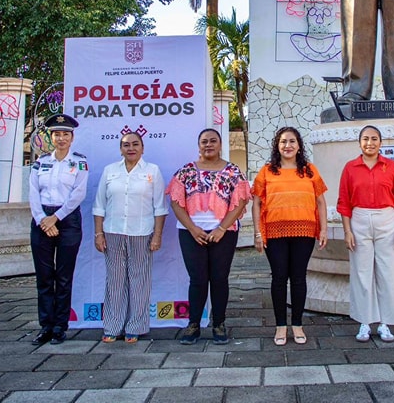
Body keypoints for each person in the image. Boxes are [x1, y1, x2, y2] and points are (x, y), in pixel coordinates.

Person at [168, 128, 251, 345]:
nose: (208, 144)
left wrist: (222, 228)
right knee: (197, 279)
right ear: (198, 145)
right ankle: (193, 324)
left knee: (219, 278)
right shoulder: (185, 171)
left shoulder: (233, 171)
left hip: (223, 232)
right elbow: (176, 202)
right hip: (190, 233)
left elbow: (241, 200)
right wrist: (193, 229)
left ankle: (219, 324)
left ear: (220, 144)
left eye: (213, 141)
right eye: (204, 141)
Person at [251, 127, 329, 346]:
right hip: (274, 233)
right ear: (277, 145)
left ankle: (297, 324)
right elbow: (256, 203)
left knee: (298, 278)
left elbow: (321, 201)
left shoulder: (309, 170)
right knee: (278, 278)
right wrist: (258, 233)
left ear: (299, 146)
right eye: (283, 142)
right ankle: (280, 326)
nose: (288, 146)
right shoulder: (267, 171)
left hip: (304, 232)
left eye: (292, 141)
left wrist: (323, 229)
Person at [92, 131, 168, 343]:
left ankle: (136, 326)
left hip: (142, 233)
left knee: (139, 280)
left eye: (135, 144)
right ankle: (112, 326)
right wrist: (99, 233)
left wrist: (157, 236)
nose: (131, 148)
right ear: (120, 149)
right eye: (126, 145)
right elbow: (99, 205)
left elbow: (160, 207)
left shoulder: (152, 171)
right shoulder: (110, 171)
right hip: (113, 232)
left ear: (142, 148)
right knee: (114, 281)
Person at [337, 125, 394, 342]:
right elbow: (344, 203)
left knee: (388, 272)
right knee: (362, 271)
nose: (370, 143)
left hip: (387, 219)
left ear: (381, 142)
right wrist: (348, 231)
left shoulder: (392, 167)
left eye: (374, 139)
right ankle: (364, 322)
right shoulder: (350, 168)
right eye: (366, 139)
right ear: (359, 142)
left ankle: (385, 322)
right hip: (359, 219)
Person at [28, 113, 89, 345]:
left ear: (72, 138)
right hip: (41, 219)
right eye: (57, 134)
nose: (61, 138)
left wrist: (56, 218)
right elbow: (33, 194)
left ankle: (60, 327)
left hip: (67, 220)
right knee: (44, 277)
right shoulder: (40, 163)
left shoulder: (79, 162)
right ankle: (45, 325)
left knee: (63, 277)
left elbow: (78, 194)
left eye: (65, 134)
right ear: (51, 137)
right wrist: (43, 219)